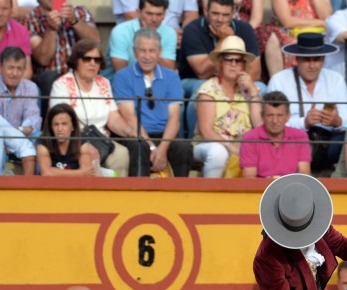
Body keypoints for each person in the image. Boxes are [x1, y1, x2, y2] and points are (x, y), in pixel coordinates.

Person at [266, 32, 347, 175]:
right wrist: (304, 123)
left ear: (324, 59)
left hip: (327, 143)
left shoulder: (335, 79)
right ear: (297, 59)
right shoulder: (279, 80)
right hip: (292, 143)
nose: (312, 66)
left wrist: (336, 121)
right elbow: (272, 123)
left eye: (317, 59)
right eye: (307, 60)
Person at [112, 27, 192, 177]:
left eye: (152, 51)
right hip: (137, 135)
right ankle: (139, 196)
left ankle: (180, 195)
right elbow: (129, 118)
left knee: (183, 146)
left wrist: (161, 149)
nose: (147, 56)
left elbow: (174, 118)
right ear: (135, 52)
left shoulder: (171, 77)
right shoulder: (122, 76)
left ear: (159, 52)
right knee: (138, 145)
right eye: (142, 51)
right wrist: (152, 148)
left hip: (164, 135)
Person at [49, 38, 134, 176]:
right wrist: (83, 143)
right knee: (89, 154)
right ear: (76, 61)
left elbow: (113, 118)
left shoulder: (104, 83)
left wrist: (129, 131)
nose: (92, 63)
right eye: (87, 59)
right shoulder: (62, 85)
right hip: (73, 140)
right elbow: (60, 121)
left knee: (122, 154)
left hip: (101, 139)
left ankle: (118, 195)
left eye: (97, 60)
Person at [178, 0, 261, 136]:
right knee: (201, 90)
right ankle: (193, 143)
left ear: (233, 13)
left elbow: (255, 73)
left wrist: (234, 77)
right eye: (215, 14)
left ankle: (253, 141)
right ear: (206, 11)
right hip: (191, 80)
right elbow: (202, 72)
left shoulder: (245, 29)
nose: (220, 20)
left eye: (225, 15)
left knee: (260, 88)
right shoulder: (193, 29)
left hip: (232, 79)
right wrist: (224, 40)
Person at [192, 34, 262, 177]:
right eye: (228, 59)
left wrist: (253, 92)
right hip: (208, 145)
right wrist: (232, 147)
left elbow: (259, 124)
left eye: (238, 60)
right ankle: (211, 193)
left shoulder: (248, 89)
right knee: (219, 152)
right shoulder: (209, 89)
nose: (233, 64)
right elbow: (206, 131)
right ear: (220, 63)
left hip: (243, 147)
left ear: (244, 65)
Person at [21, 0, 99, 115]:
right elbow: (43, 59)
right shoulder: (30, 19)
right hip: (49, 82)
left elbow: (95, 42)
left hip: (79, 77)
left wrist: (75, 21)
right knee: (49, 78)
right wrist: (51, 29)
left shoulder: (81, 12)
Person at [239, 90, 312, 178]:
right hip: (260, 190)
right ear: (262, 116)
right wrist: (271, 182)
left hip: (291, 189)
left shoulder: (300, 136)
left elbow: (304, 175)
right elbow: (249, 179)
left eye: (279, 115)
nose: (275, 121)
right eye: (270, 115)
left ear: (288, 116)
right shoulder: (250, 138)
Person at [254, 0, 333, 80]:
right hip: (288, 33)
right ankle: (283, 83)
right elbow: (287, 22)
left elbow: (327, 17)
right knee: (288, 44)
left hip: (318, 35)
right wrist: (320, 22)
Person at [0, 46, 42, 139]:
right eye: (10, 68)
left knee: (39, 137)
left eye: (19, 69)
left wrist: (17, 134)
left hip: (21, 137)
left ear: (24, 70)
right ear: (0, 68)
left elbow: (33, 119)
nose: (14, 73)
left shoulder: (31, 88)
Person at [107, 0, 177, 73]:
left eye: (159, 14)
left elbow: (169, 70)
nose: (154, 19)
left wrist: (150, 37)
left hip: (155, 81)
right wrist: (144, 35)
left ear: (165, 14)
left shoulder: (170, 33)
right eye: (149, 14)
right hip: (120, 82)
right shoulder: (121, 31)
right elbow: (120, 71)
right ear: (139, 12)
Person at [36, 101, 97, 175]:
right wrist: (79, 173)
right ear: (51, 127)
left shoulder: (81, 141)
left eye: (64, 124)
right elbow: (46, 173)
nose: (60, 129)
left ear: (73, 126)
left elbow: (87, 174)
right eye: (56, 124)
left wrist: (55, 172)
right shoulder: (43, 141)